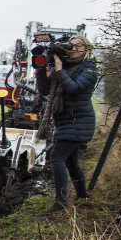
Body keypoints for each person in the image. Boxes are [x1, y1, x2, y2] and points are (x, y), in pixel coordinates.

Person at [36, 36, 98, 214]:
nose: (75, 48)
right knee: (71, 163)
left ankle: (60, 203)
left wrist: (59, 68)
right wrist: (41, 68)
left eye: (80, 46)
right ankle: (82, 196)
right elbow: (45, 91)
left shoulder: (89, 68)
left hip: (78, 121)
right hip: (65, 121)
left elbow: (73, 88)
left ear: (87, 49)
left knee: (57, 158)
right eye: (72, 46)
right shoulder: (67, 66)